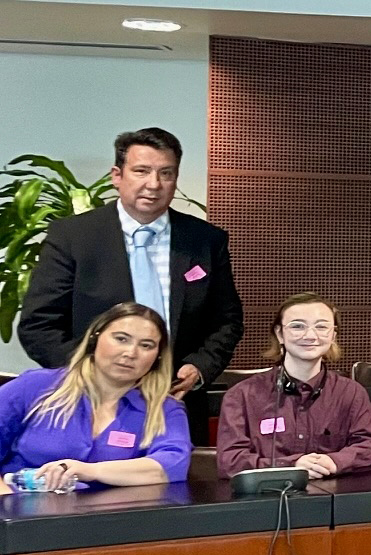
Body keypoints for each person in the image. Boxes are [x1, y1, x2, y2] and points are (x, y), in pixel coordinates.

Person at [20, 127, 243, 398]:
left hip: (176, 398)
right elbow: (39, 325)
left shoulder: (205, 240)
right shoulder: (73, 237)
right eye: (141, 171)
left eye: (166, 173)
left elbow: (226, 320)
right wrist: (91, 375)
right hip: (91, 398)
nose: (154, 184)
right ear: (117, 176)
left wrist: (200, 366)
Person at [0, 303, 191, 492]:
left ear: (158, 356)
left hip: (111, 518)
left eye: (146, 345)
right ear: (94, 339)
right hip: (17, 511)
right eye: (121, 339)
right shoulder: (35, 386)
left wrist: (91, 471)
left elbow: (171, 466)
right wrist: (6, 501)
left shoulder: (165, 409)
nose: (131, 353)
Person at [216, 293, 371, 478]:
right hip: (266, 499)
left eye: (321, 327)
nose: (310, 335)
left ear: (333, 335)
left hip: (333, 500)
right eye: (298, 326)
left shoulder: (352, 393)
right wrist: (291, 465)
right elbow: (230, 461)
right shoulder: (241, 395)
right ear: (279, 334)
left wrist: (335, 461)